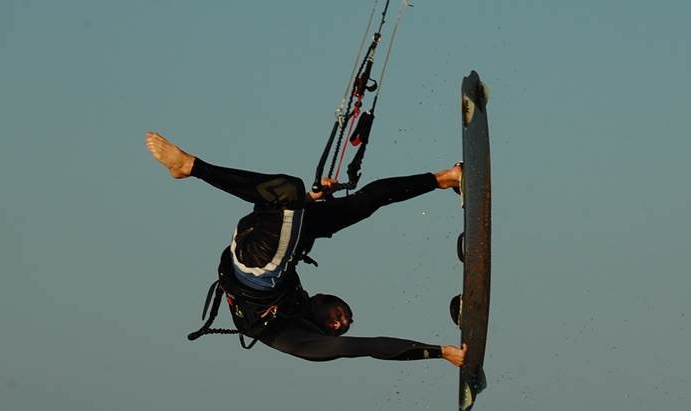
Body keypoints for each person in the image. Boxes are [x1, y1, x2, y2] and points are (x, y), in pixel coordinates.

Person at [145, 131, 467, 367]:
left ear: (322, 301)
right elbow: (366, 345)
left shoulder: (299, 339)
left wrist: (302, 202)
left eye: (338, 324)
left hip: (258, 265)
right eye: (347, 321)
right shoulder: (310, 315)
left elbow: (364, 346)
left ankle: (191, 167)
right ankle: (447, 178)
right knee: (364, 202)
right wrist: (441, 351)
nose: (342, 324)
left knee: (288, 191)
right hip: (271, 250)